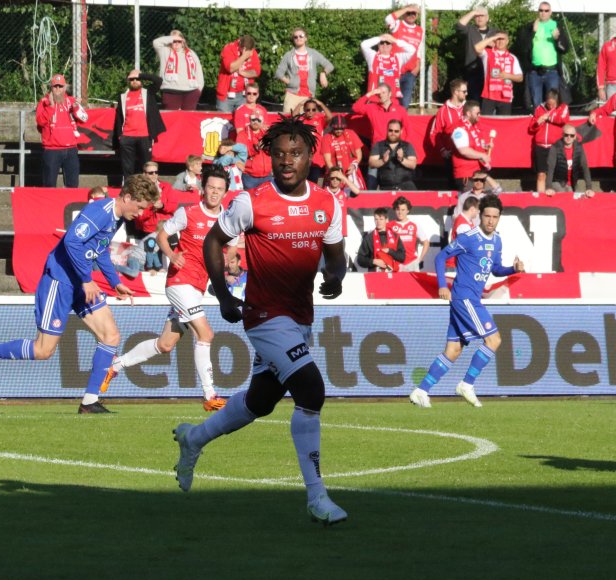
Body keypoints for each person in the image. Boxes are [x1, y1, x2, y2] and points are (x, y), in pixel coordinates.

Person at [173, 115, 348, 524]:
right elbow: (213, 241)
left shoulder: (327, 203)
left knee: (260, 401)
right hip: (265, 316)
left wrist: (336, 278)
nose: (286, 160)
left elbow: (336, 256)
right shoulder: (252, 202)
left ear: (310, 156)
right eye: (279, 154)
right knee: (311, 390)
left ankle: (194, 438)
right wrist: (222, 294)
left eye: (295, 153)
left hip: (300, 317)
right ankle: (317, 497)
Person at [0, 175, 159, 413]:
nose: (140, 213)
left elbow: (100, 250)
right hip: (60, 281)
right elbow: (71, 242)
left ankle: (89, 402)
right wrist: (87, 280)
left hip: (81, 282)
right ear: (127, 197)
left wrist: (115, 282)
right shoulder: (100, 212)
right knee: (43, 351)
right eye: (140, 207)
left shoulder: (117, 218)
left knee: (110, 336)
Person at [101, 166, 230, 411]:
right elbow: (162, 235)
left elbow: (232, 246)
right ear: (203, 189)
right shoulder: (188, 213)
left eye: (219, 189)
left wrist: (226, 259)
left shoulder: (227, 218)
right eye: (211, 187)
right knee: (205, 334)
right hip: (180, 283)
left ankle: (115, 366)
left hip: (197, 286)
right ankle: (210, 395)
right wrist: (172, 255)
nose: (214, 192)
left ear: (225, 192)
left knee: (165, 345)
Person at [409, 194, 522, 410]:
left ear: (499, 218)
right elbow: (441, 257)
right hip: (464, 297)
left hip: (470, 298)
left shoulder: (497, 240)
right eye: (487, 216)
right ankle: (467, 384)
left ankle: (421, 390)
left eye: (495, 217)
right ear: (480, 216)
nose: (490, 220)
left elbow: (495, 269)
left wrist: (512, 269)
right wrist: (442, 285)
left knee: (453, 350)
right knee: (494, 340)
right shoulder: (469, 237)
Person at [112, 70, 164, 183]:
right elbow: (119, 117)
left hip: (145, 135)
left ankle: (147, 187)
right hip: (127, 136)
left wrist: (141, 75)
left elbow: (158, 81)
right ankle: (129, 188)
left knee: (147, 166)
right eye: (132, 79)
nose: (135, 81)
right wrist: (120, 136)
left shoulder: (148, 92)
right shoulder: (123, 96)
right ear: (128, 81)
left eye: (137, 79)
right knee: (127, 167)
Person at [36, 74, 87, 189]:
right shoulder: (44, 102)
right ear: (51, 88)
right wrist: (50, 107)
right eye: (55, 86)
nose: (58, 89)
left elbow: (84, 119)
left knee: (72, 185)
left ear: (65, 88)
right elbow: (40, 122)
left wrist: (76, 108)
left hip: (71, 149)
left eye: (60, 86)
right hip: (52, 149)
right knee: (49, 185)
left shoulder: (71, 101)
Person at [516, 2, 571, 109]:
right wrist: (533, 32)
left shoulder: (556, 26)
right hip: (535, 72)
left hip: (552, 71)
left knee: (552, 103)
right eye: (541, 10)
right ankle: (539, 119)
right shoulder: (531, 26)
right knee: (536, 104)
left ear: (550, 12)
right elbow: (523, 48)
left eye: (546, 11)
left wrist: (557, 39)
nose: (543, 13)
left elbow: (565, 49)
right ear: (538, 12)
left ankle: (552, 120)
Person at [275, 28, 333, 114]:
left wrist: (323, 73)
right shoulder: (288, 55)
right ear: (293, 40)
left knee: (306, 121)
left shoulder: (313, 54)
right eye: (295, 37)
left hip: (308, 97)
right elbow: (279, 73)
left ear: (306, 38)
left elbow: (329, 65)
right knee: (289, 120)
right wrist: (290, 82)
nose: (298, 38)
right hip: (292, 96)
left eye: (301, 36)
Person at [529, 88, 569, 194]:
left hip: (555, 147)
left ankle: (557, 198)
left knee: (556, 175)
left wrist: (548, 117)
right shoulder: (539, 108)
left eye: (553, 104)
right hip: (540, 146)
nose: (551, 106)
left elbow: (563, 119)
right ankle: (541, 198)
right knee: (541, 174)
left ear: (557, 101)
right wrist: (537, 122)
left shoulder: (563, 107)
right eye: (548, 104)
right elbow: (531, 128)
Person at [153, 30, 204, 111]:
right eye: (174, 41)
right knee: (172, 117)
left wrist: (199, 89)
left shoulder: (191, 53)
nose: (176, 43)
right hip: (170, 91)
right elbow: (156, 42)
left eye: (179, 41)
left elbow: (198, 72)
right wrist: (173, 38)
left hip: (191, 91)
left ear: (183, 42)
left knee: (188, 117)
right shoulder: (165, 51)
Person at [360, 33, 416, 106]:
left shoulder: (398, 58)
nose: (385, 45)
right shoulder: (372, 56)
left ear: (392, 45)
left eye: (388, 43)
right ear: (378, 45)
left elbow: (412, 50)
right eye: (382, 43)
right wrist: (380, 38)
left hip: (392, 100)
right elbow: (363, 45)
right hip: (375, 99)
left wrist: (395, 40)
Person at [474, 31, 522, 115]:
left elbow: (520, 78)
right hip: (489, 95)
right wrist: (492, 38)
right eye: (498, 39)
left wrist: (508, 76)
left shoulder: (512, 57)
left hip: (505, 96)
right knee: (486, 121)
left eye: (502, 39)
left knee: (504, 122)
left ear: (507, 41)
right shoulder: (487, 53)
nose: (500, 41)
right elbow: (476, 48)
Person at [385, 4, 423, 108]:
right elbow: (388, 19)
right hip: (394, 71)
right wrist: (406, 9)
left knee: (404, 104)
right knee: (390, 101)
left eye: (414, 13)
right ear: (404, 13)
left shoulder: (420, 30)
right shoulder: (398, 24)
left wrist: (418, 66)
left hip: (410, 72)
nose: (411, 15)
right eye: (408, 13)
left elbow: (419, 49)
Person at [540, 124, 593, 196]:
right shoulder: (555, 147)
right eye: (566, 135)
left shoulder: (579, 147)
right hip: (557, 182)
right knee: (565, 196)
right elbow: (550, 168)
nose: (569, 137)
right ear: (562, 135)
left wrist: (589, 187)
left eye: (572, 135)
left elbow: (585, 167)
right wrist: (549, 187)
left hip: (573, 182)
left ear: (575, 137)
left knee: (577, 198)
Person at [450, 100, 492, 190]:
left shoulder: (475, 126)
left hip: (478, 172)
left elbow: (476, 144)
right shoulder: (459, 129)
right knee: (470, 198)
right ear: (468, 113)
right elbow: (463, 150)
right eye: (477, 113)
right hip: (466, 174)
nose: (479, 115)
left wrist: (485, 147)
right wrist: (482, 155)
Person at [455, 6, 495, 102]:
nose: (479, 18)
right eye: (477, 16)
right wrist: (473, 12)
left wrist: (494, 44)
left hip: (490, 70)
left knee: (489, 99)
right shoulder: (470, 30)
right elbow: (459, 25)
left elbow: (503, 47)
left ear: (487, 18)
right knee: (474, 99)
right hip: (472, 70)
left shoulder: (494, 32)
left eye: (482, 15)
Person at [368, 118, 417, 191]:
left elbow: (413, 165)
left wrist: (402, 159)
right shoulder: (379, 145)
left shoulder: (407, 146)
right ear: (387, 130)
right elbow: (371, 163)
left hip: (406, 187)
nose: (393, 133)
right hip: (385, 187)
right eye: (390, 130)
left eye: (396, 131)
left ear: (401, 131)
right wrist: (382, 161)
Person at [215, 35, 259, 113]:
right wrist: (244, 56)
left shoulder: (252, 51)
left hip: (244, 95)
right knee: (224, 120)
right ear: (243, 48)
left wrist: (242, 72)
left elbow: (256, 72)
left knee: (243, 118)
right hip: (226, 96)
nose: (250, 53)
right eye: (248, 51)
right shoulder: (229, 48)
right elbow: (230, 68)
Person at [428, 78, 467, 163]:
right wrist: (442, 150)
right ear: (456, 92)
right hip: (452, 156)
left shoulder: (468, 108)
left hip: (469, 153)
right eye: (464, 92)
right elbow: (434, 134)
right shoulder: (443, 111)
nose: (466, 94)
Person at [320, 114, 364, 190]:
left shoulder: (351, 133)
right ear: (332, 127)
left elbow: (359, 154)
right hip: (334, 174)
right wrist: (337, 175)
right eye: (336, 129)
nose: (339, 131)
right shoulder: (327, 138)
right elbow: (328, 161)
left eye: (341, 128)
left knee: (356, 194)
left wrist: (354, 165)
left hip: (351, 172)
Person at [356, 206, 404, 272]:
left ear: (386, 220)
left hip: (393, 274)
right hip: (375, 274)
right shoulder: (369, 238)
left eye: (381, 219)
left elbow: (402, 257)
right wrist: (373, 261)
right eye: (376, 219)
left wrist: (390, 251)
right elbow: (360, 259)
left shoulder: (395, 236)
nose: (378, 222)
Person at [389, 196, 431, 271]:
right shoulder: (389, 226)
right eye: (398, 209)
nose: (400, 212)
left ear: (407, 210)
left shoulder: (414, 224)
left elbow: (426, 242)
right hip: (396, 263)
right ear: (395, 210)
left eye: (403, 210)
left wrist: (420, 259)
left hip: (412, 262)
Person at [233, 110, 271, 190]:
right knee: (250, 197)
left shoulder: (267, 134)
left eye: (258, 120)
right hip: (250, 177)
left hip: (267, 176)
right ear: (250, 120)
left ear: (262, 122)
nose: (255, 122)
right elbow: (241, 153)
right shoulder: (242, 134)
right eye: (253, 120)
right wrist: (255, 148)